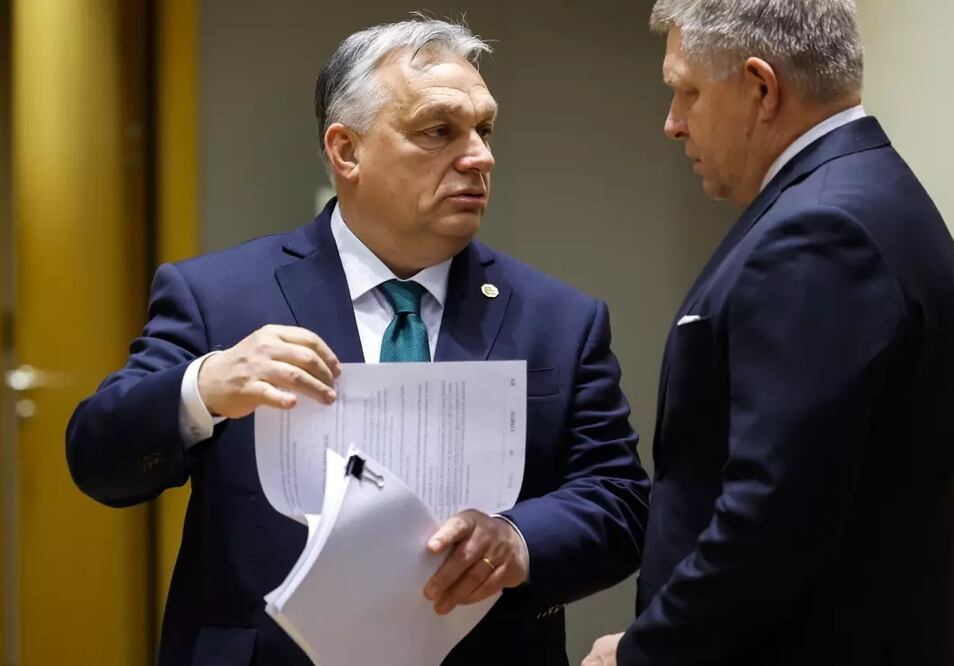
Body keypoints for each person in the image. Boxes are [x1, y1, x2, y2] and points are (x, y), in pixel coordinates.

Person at [66, 17, 650, 666]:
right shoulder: (218, 297)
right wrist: (202, 388)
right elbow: (99, 459)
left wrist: (518, 540)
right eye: (439, 131)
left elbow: (618, 499)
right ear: (346, 151)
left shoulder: (559, 320)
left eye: (484, 130)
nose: (480, 156)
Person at [584, 1, 954, 664]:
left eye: (686, 92)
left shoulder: (818, 234)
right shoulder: (870, 194)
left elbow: (772, 520)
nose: (673, 123)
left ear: (761, 89)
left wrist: (643, 654)